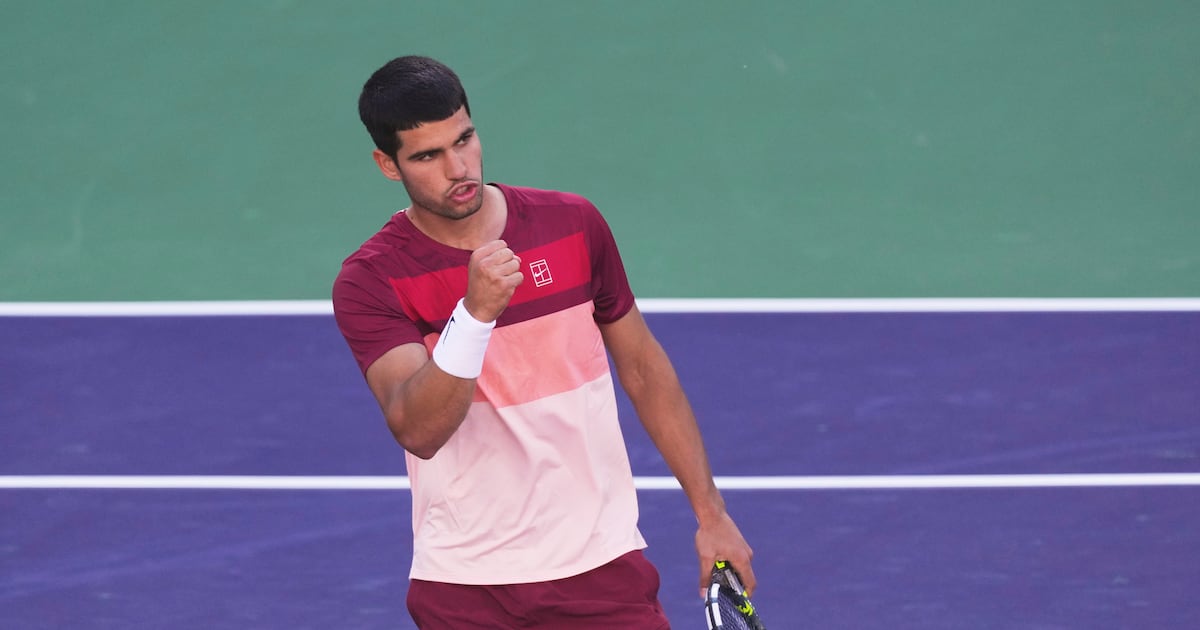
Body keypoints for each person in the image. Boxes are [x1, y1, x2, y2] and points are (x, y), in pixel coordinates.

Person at [332, 55, 755, 629]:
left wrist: (711, 513)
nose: (458, 168)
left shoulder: (572, 224)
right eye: (428, 156)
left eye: (464, 140)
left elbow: (643, 369)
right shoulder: (373, 279)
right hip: (466, 587)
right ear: (388, 164)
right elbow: (419, 430)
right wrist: (474, 315)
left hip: (600, 567)